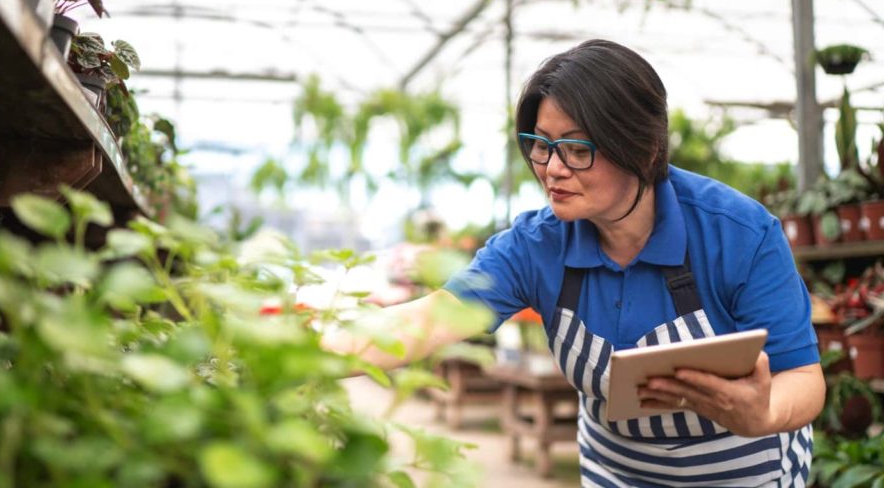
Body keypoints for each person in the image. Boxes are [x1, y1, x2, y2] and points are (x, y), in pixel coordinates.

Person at [322, 39, 825, 486]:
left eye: (577, 148)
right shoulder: (537, 245)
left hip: (741, 470)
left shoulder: (737, 233)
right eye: (541, 145)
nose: (553, 169)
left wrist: (762, 413)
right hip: (617, 469)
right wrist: (302, 354)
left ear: (645, 148)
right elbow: (426, 319)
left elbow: (803, 380)